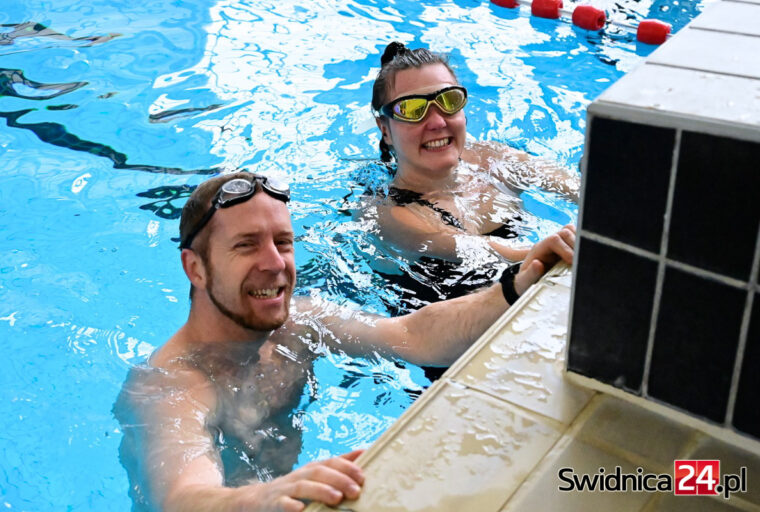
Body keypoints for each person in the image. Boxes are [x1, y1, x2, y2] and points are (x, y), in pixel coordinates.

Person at [114, 171, 575, 512]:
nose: (275, 263)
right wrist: (266, 497)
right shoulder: (172, 384)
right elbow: (183, 497)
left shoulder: (297, 323)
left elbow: (412, 336)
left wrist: (517, 283)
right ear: (195, 267)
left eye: (283, 241)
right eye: (246, 245)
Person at [361, 41, 580, 312]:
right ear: (385, 129)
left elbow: (580, 190)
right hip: (448, 335)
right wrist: (568, 248)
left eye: (449, 100)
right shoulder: (390, 213)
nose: (438, 122)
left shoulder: (495, 160)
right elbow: (489, 252)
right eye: (412, 109)